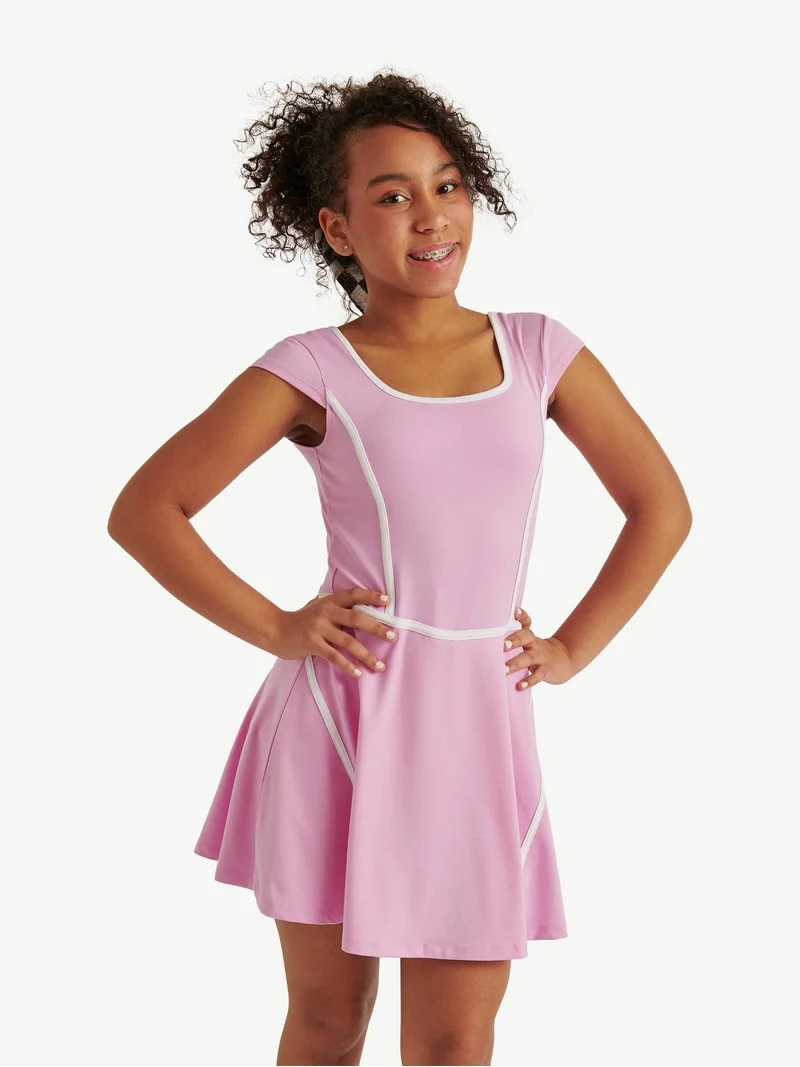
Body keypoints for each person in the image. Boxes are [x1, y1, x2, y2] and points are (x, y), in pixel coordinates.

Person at [107, 69, 692, 1067]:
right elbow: (146, 510)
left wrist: (568, 648)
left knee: (456, 1040)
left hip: (477, 723)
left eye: (448, 184)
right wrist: (281, 626)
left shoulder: (539, 350)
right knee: (328, 1023)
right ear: (338, 229)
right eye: (392, 195)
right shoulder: (313, 367)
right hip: (344, 715)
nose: (431, 215)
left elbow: (660, 506)